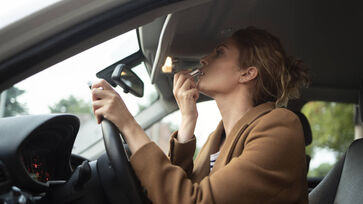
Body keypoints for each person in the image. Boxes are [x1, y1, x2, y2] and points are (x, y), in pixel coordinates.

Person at [91, 26, 310, 204]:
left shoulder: (280, 126)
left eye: (219, 52)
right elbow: (179, 186)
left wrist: (129, 125)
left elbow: (191, 200)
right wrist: (188, 120)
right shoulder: (219, 136)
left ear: (247, 73)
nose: (204, 59)